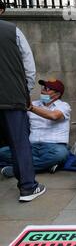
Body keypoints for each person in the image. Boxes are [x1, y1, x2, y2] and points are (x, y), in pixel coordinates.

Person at [0, 18, 46, 202]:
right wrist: (25, 92)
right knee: (19, 143)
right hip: (11, 97)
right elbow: (28, 66)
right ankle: (28, 187)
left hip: (11, 96)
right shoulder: (12, 31)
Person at [0, 78, 70, 178]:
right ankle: (46, 164)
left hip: (53, 147)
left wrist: (31, 108)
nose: (42, 91)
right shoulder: (34, 104)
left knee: (61, 154)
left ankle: (19, 170)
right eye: (43, 88)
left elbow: (54, 116)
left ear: (57, 94)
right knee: (2, 152)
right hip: (32, 146)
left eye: (47, 89)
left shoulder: (63, 106)